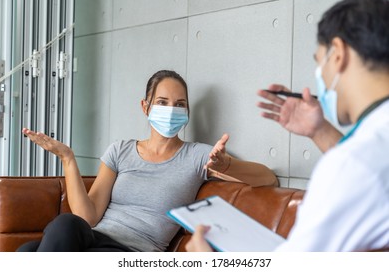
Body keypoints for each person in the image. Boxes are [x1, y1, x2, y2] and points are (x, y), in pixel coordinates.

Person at [186, 0, 389, 252]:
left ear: (338, 53)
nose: (321, 78)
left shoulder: (351, 165)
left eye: (319, 63)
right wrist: (319, 130)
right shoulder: (370, 150)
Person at [17, 70, 277, 252]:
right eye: (162, 102)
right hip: (93, 238)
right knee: (46, 238)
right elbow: (88, 217)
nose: (171, 110)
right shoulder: (121, 150)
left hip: (132, 253)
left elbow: (267, 178)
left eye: (180, 104)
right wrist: (68, 159)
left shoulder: (199, 155)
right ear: (145, 106)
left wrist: (227, 166)